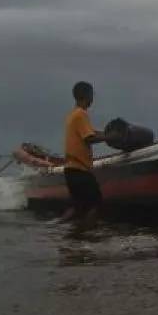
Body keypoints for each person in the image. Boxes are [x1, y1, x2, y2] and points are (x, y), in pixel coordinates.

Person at [60, 81, 116, 224]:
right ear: (88, 95)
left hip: (70, 169)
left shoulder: (72, 115)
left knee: (76, 207)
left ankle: (56, 230)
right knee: (96, 205)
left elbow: (90, 132)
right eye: (92, 95)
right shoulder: (81, 114)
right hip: (80, 170)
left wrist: (106, 133)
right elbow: (89, 137)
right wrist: (110, 137)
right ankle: (87, 237)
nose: (93, 99)